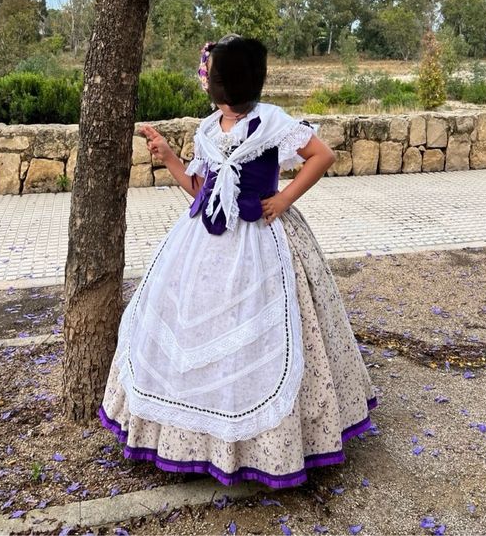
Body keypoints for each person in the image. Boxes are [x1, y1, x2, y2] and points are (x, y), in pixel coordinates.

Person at [99, 35, 378, 488]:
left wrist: (283, 198)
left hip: (264, 241)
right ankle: (198, 437)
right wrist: (170, 156)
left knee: (269, 330)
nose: (208, 84)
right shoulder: (209, 129)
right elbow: (200, 190)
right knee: (197, 329)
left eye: (212, 78)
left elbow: (321, 155)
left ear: (223, 85)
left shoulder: (272, 122)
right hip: (203, 244)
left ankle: (262, 443)